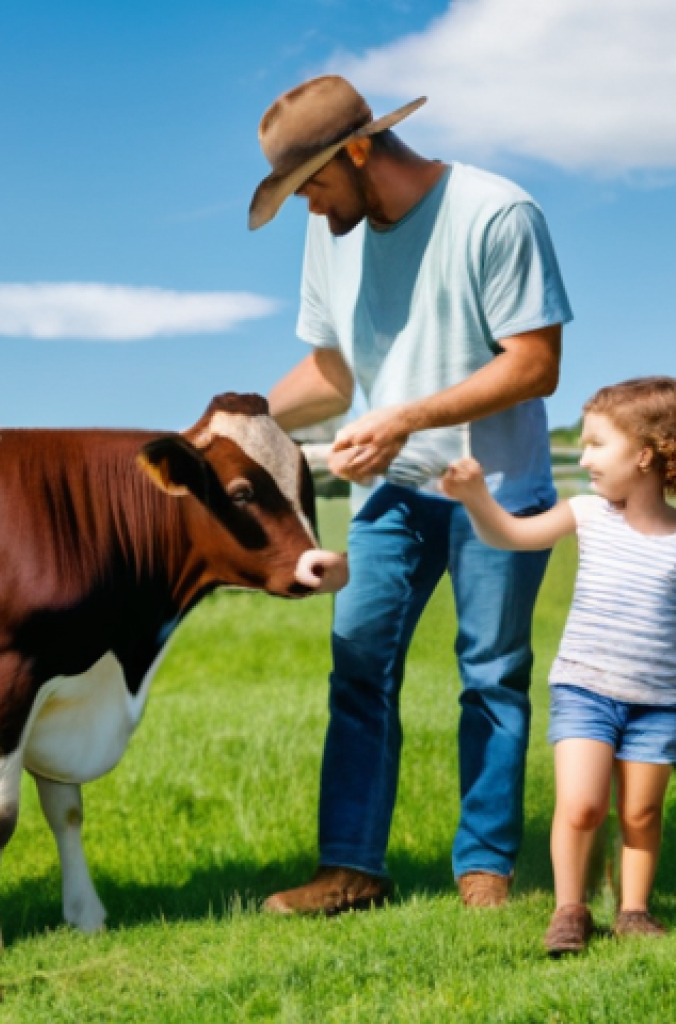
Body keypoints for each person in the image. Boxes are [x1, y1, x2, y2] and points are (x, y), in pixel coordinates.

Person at [250, 75, 573, 914]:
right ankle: (351, 869)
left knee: (491, 675)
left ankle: (484, 875)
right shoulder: (335, 233)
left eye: (313, 186)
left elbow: (536, 363)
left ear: (357, 151)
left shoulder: (498, 214)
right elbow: (330, 375)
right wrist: (230, 423)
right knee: (357, 666)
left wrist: (407, 418)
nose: (312, 210)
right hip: (392, 493)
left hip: (495, 492)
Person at [442, 377, 676, 954]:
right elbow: (513, 535)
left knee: (642, 812)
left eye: (597, 444)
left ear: (645, 455)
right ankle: (570, 909)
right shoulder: (588, 513)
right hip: (585, 690)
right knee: (582, 805)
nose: (585, 456)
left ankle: (634, 911)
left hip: (660, 702)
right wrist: (476, 497)